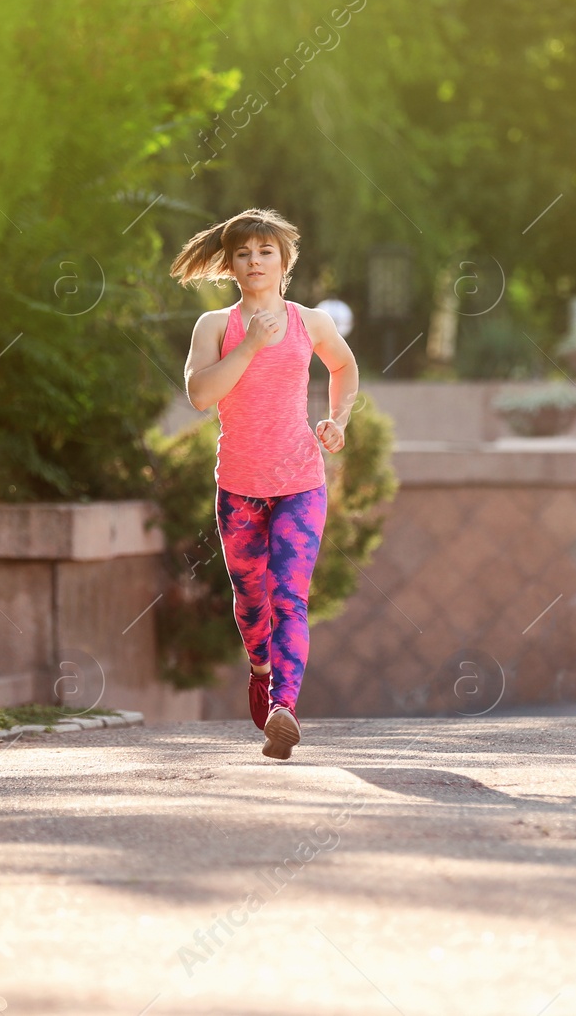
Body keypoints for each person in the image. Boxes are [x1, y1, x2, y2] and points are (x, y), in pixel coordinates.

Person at [171, 209, 359, 760]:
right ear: (230, 264)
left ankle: (284, 709)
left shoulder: (311, 322)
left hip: (301, 480)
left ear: (284, 261)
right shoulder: (215, 327)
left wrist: (338, 420)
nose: (255, 262)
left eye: (265, 252)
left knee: (289, 595)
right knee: (252, 599)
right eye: (244, 254)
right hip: (239, 486)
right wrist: (250, 344)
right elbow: (200, 394)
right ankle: (260, 669)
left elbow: (344, 368)